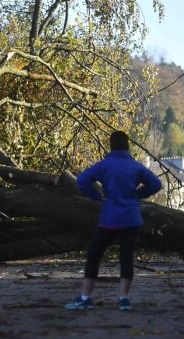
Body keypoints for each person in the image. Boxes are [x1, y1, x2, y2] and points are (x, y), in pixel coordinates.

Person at [65, 130, 162, 311]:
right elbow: (156, 184)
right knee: (126, 257)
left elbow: (82, 180)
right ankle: (124, 299)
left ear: (111, 145)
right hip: (132, 218)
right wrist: (137, 195)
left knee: (94, 255)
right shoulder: (136, 166)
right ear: (127, 146)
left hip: (110, 217)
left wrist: (96, 196)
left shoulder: (105, 165)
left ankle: (86, 297)